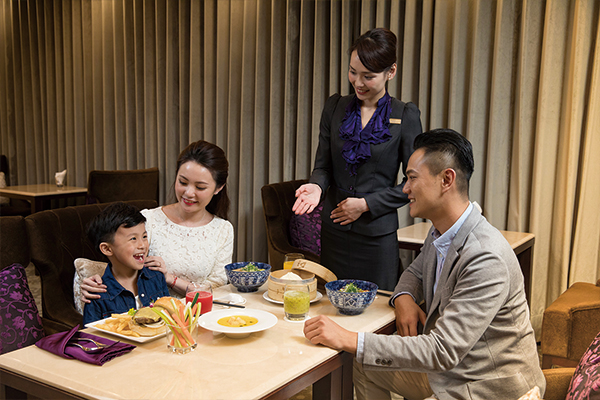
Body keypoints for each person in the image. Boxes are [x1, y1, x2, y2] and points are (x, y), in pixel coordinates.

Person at [303, 129, 546, 399]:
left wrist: (349, 338)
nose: (405, 188)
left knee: (358, 351)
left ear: (446, 179)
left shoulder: (484, 256)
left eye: (411, 178)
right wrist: (404, 297)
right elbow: (415, 271)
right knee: (364, 363)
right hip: (452, 372)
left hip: (487, 385)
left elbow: (442, 350)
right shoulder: (443, 230)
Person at [292, 28, 422, 290]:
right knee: (331, 308)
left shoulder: (404, 115)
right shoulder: (335, 107)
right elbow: (323, 165)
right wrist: (317, 186)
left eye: (368, 76)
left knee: (375, 313)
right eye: (353, 72)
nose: (358, 82)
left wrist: (365, 204)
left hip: (376, 237)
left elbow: (413, 184)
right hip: (334, 232)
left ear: (391, 72)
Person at [81, 140, 234, 303]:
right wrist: (96, 281)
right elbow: (121, 266)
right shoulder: (149, 220)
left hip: (201, 313)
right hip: (150, 313)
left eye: (200, 187)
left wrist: (169, 279)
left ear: (218, 188)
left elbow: (215, 289)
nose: (188, 193)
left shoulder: (223, 229)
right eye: (182, 182)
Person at [82, 202, 170, 324]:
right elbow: (90, 338)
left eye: (144, 236)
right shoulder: (97, 294)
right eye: (133, 239)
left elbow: (170, 319)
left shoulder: (156, 276)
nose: (142, 245)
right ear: (107, 249)